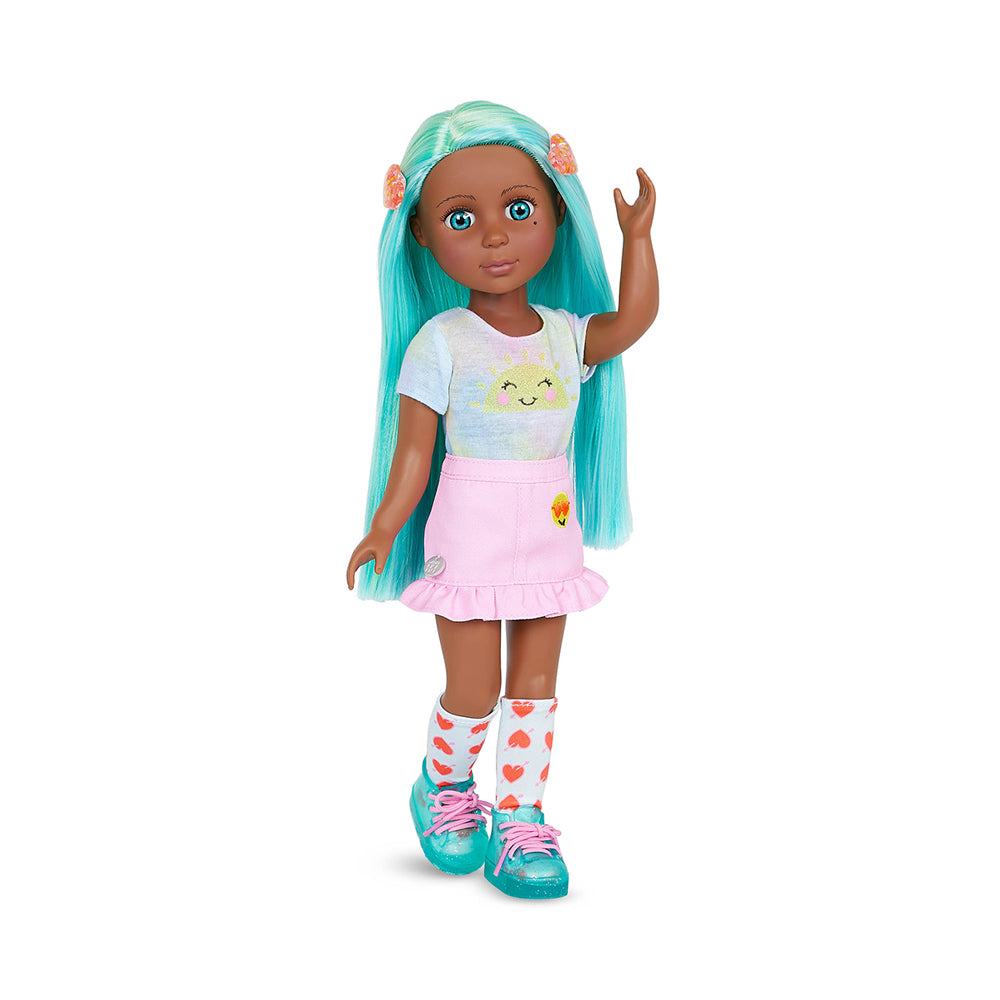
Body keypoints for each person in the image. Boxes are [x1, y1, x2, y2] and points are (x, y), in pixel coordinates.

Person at [347, 101, 657, 899]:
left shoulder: (564, 333)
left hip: (549, 537)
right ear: (421, 234)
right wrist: (385, 524)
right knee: (475, 687)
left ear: (556, 210)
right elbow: (414, 450)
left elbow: (632, 323)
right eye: (461, 218)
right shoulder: (441, 341)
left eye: (519, 210)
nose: (494, 236)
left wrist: (638, 239)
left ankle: (520, 817)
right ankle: (445, 786)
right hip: (469, 538)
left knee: (535, 689)